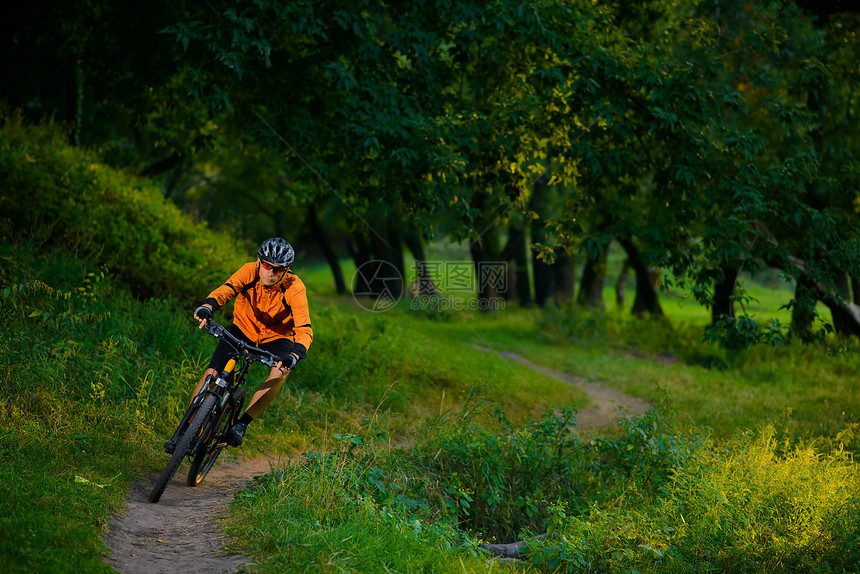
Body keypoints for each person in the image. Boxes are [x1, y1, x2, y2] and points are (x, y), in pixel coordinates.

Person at [174, 237, 313, 449]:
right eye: (266, 265)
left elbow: (304, 328)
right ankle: (186, 429)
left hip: (276, 337)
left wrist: (295, 354)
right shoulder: (249, 270)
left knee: (279, 373)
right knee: (212, 374)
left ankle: (241, 424)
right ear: (259, 262)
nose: (270, 272)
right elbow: (226, 289)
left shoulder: (294, 287)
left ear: (286, 270)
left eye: (277, 269)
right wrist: (207, 307)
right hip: (242, 328)